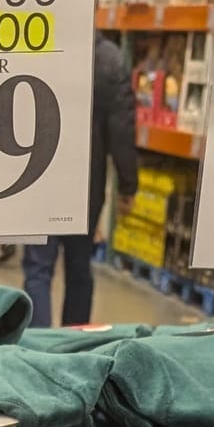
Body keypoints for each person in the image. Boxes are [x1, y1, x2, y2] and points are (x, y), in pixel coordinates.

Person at [22, 33, 139, 331]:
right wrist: (128, 184)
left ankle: (36, 346)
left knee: (38, 269)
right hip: (86, 182)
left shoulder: (38, 44)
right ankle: (73, 343)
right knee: (79, 268)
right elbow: (121, 129)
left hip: (38, 174)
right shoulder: (110, 59)